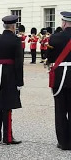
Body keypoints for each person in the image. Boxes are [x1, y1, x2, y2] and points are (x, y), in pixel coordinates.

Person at [0, 15, 23, 145]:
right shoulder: (16, 40)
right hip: (10, 74)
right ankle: (7, 137)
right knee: (7, 105)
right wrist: (20, 81)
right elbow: (19, 62)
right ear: (14, 26)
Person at [47, 11, 71, 150]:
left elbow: (49, 57)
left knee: (60, 111)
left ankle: (63, 142)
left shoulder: (55, 38)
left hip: (60, 76)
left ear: (63, 23)